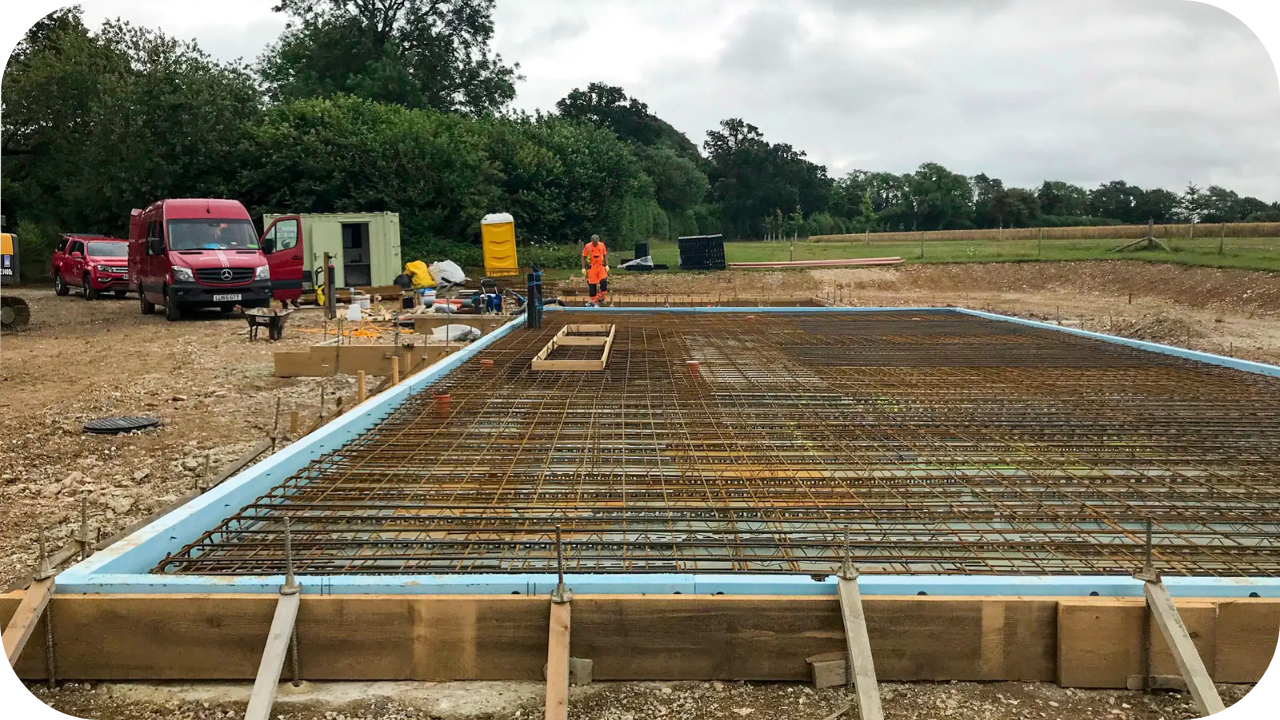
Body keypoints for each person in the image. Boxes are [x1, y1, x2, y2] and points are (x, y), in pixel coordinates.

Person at [581, 234, 609, 306]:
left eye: (596, 242)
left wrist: (606, 265)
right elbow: (583, 257)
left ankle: (601, 298)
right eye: (594, 242)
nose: (595, 244)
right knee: (592, 285)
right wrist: (583, 268)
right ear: (591, 241)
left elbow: (605, 255)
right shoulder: (587, 246)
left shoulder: (602, 245)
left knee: (604, 281)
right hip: (592, 267)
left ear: (598, 241)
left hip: (600, 267)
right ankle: (594, 301)